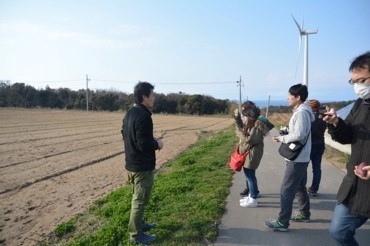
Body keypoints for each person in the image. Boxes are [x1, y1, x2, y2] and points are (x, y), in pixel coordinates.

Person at [325, 51, 370, 245]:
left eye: (362, 80)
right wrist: (336, 123)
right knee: (339, 230)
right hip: (356, 185)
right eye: (354, 82)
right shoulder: (361, 104)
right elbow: (348, 136)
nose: (358, 87)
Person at [264, 84, 314, 231]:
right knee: (299, 186)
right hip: (301, 157)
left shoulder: (301, 112)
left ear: (298, 97)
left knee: (286, 190)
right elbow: (300, 132)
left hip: (297, 159)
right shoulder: (302, 111)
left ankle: (282, 222)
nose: (287, 98)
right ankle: (304, 213)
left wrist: (281, 138)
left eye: (289, 95)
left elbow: (300, 135)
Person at [121, 81, 164, 245]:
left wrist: (147, 140)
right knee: (139, 200)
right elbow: (143, 144)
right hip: (141, 166)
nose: (154, 98)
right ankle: (135, 235)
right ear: (144, 97)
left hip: (131, 164)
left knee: (140, 197)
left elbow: (124, 134)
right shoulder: (144, 115)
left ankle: (140, 225)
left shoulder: (129, 113)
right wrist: (157, 144)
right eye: (152, 95)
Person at [233, 101, 270, 208]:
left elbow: (250, 140)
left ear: (250, 116)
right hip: (250, 153)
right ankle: (251, 195)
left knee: (250, 177)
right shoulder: (252, 124)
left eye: (245, 116)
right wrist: (237, 120)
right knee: (249, 176)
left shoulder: (257, 126)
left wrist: (239, 133)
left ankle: (253, 198)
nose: (244, 118)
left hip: (252, 154)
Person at [307, 99, 327, 196]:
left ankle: (301, 189)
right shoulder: (323, 117)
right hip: (320, 145)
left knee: (303, 168)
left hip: (309, 145)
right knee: (317, 169)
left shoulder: (309, 118)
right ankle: (314, 189)